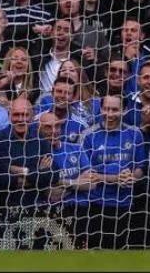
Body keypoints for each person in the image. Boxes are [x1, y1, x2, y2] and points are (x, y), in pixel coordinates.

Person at [80, 95, 148, 249]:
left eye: (115, 109)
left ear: (124, 110)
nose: (109, 114)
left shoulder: (135, 134)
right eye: (106, 109)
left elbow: (140, 168)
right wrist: (115, 178)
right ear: (100, 109)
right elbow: (86, 175)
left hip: (126, 205)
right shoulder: (88, 135)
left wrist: (131, 176)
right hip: (96, 205)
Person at [38, 112, 94, 249]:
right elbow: (52, 195)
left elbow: (92, 183)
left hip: (79, 212)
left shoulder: (76, 149)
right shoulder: (36, 154)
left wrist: (61, 183)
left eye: (57, 126)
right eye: (48, 127)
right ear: (38, 129)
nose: (54, 131)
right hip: (49, 214)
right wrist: (77, 182)